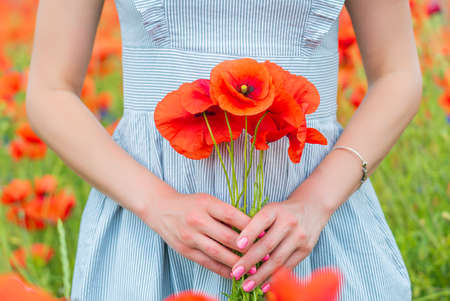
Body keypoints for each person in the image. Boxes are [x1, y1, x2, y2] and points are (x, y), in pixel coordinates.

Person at [25, 0, 422, 300]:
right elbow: (50, 89)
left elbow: (397, 74)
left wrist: (316, 202)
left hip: (315, 228)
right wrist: (158, 205)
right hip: (146, 234)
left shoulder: (317, 209)